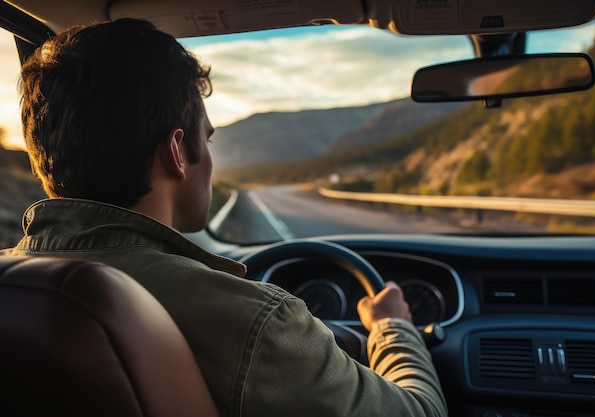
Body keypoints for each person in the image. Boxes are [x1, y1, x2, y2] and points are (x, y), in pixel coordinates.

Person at [3, 18, 447, 417]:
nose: (210, 159)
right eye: (208, 140)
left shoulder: (14, 285)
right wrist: (393, 328)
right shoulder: (256, 322)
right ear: (177, 152)